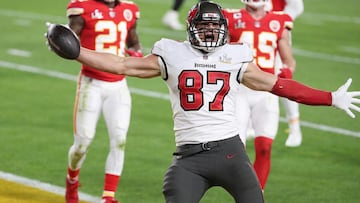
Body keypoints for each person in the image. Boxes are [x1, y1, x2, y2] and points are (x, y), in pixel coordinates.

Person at [46, 1, 360, 202]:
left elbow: (280, 85)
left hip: (230, 154)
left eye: (215, 25)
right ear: (191, 29)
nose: (209, 30)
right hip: (189, 159)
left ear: (224, 30)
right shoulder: (171, 53)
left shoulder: (235, 56)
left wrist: (330, 98)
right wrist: (78, 52)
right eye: (203, 25)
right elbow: (122, 65)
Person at [64, 0, 142, 203]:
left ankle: (108, 196)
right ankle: (72, 179)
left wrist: (136, 52)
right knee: (83, 142)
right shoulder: (83, 8)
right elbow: (70, 43)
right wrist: (60, 41)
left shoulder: (129, 9)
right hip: (91, 82)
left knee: (119, 139)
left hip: (118, 85)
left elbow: (133, 40)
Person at [223, 0, 298, 191]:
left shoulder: (279, 21)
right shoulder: (230, 17)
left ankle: (257, 194)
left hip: (266, 91)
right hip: (239, 90)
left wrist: (287, 71)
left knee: (264, 147)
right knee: (236, 150)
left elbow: (288, 60)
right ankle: (243, 191)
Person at [266, 0, 305, 147]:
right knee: (253, 74)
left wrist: (280, 19)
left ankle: (295, 125)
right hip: (255, 25)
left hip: (274, 27)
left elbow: (297, 6)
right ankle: (251, 123)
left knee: (283, 77)